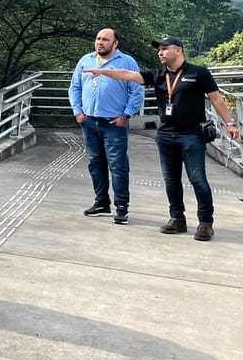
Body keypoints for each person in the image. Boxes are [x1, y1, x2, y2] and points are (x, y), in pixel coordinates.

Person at [83, 37, 240, 241]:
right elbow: (129, 75)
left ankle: (205, 222)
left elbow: (216, 98)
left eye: (165, 49)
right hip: (165, 135)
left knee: (197, 179)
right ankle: (177, 219)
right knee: (171, 180)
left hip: (191, 135)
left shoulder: (198, 72)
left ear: (178, 51)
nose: (160, 52)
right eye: (159, 50)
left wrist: (229, 123)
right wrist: (103, 71)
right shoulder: (158, 75)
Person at [68, 28, 144, 224]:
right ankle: (101, 202)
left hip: (114, 123)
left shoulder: (127, 62)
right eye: (98, 39)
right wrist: (78, 111)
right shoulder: (86, 60)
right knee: (95, 163)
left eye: (105, 39)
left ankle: (121, 207)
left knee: (118, 165)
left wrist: (127, 114)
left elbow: (136, 91)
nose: (100, 42)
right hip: (89, 122)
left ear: (115, 43)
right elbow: (75, 87)